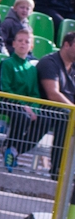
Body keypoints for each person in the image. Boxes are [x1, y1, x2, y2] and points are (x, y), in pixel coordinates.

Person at [0, 28, 47, 172]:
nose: (23, 44)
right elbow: (5, 89)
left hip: (26, 107)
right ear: (13, 44)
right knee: (22, 117)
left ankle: (14, 150)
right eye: (19, 41)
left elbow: (34, 94)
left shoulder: (31, 69)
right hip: (6, 103)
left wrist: (34, 108)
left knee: (44, 120)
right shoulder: (7, 64)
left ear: (31, 46)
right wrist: (23, 106)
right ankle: (9, 149)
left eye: (26, 42)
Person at [36, 31, 75, 179]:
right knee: (66, 119)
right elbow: (53, 94)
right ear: (66, 44)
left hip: (68, 110)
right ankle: (57, 170)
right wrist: (74, 110)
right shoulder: (49, 62)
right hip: (49, 109)